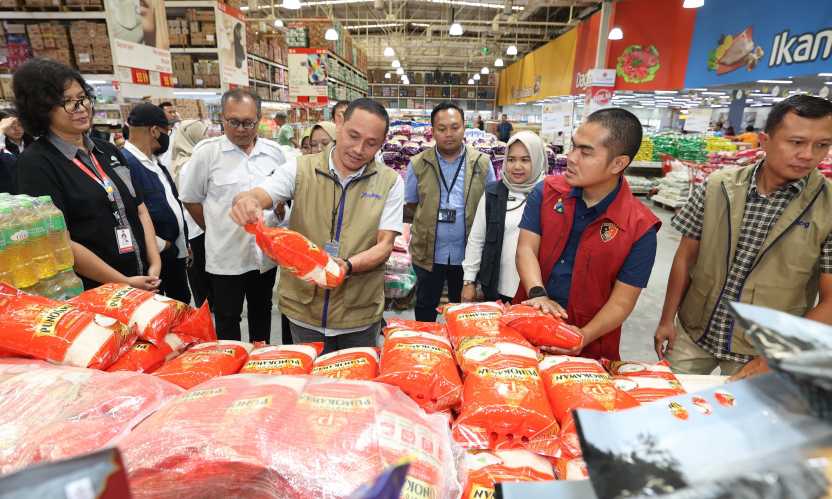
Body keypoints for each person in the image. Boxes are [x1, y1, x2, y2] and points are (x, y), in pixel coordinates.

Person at [655, 95, 832, 379]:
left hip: (762, 351)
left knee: (743, 409)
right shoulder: (718, 186)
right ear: (764, 141)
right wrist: (667, 319)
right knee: (670, 398)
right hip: (694, 332)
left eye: (822, 145)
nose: (808, 155)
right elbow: (685, 257)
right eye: (796, 142)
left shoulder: (827, 207)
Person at [229, 98, 404, 354]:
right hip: (304, 309)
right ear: (339, 124)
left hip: (358, 313)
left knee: (356, 375)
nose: (358, 149)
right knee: (308, 375)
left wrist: (347, 266)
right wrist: (247, 202)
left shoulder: (390, 182)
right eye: (353, 136)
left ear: (382, 143)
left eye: (371, 143)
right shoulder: (301, 169)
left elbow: (385, 245)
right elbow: (261, 193)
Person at [515, 108, 660, 361]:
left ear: (618, 163)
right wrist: (538, 295)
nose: (571, 158)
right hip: (527, 327)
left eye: (585, 152)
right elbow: (526, 248)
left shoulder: (640, 227)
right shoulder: (546, 192)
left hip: (590, 348)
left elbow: (622, 302)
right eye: (573, 147)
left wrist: (582, 336)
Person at [13, 58, 161, 291]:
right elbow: (59, 239)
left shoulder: (108, 151)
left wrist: (155, 263)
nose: (81, 108)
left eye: (82, 98)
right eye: (67, 102)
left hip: (144, 278)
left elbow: (139, 208)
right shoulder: (36, 163)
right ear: (42, 109)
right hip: (97, 291)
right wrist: (123, 281)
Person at [179, 89, 286, 343]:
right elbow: (190, 198)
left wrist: (278, 213)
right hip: (225, 257)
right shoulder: (207, 154)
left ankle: (260, 359)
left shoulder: (274, 153)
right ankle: (233, 363)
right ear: (222, 119)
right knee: (227, 318)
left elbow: (282, 195)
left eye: (248, 123)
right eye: (233, 122)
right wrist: (215, 228)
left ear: (258, 119)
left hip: (264, 256)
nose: (241, 129)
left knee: (262, 312)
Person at [404, 102, 495, 322]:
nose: (449, 134)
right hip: (429, 253)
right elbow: (412, 206)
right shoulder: (418, 164)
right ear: (432, 131)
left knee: (463, 312)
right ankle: (426, 341)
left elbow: (490, 206)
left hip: (467, 255)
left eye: (455, 127)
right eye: (442, 128)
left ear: (464, 128)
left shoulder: (482, 163)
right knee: (425, 307)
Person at [462, 131, 546, 303]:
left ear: (538, 159)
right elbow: (477, 239)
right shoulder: (493, 193)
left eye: (525, 160)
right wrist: (469, 280)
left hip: (536, 294)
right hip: (496, 289)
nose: (516, 166)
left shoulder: (550, 196)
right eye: (511, 159)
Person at [121, 103, 190, 303]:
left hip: (173, 254)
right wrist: (161, 244)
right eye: (166, 132)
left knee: (180, 304)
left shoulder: (153, 161)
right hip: (153, 260)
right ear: (154, 131)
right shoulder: (126, 164)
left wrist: (183, 242)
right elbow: (129, 215)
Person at [170, 119, 212, 309]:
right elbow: (192, 199)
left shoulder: (177, 159)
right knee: (204, 282)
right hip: (198, 228)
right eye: (203, 134)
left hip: (192, 229)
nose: (207, 138)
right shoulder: (190, 164)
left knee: (198, 280)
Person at [0, 110, 33, 194]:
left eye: (20, 125)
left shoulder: (33, 143)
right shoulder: (3, 147)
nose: (17, 129)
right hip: (10, 195)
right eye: (11, 126)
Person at [157, 101, 180, 167]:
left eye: (174, 112)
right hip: (163, 167)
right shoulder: (156, 132)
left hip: (177, 168)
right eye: (170, 112)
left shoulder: (180, 129)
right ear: (161, 114)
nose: (173, 115)